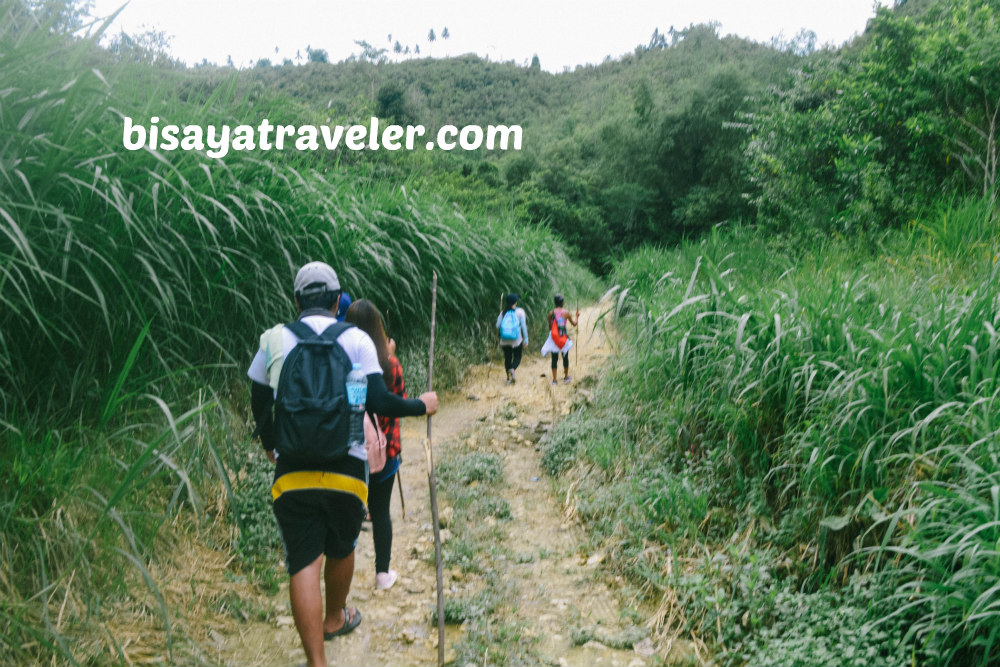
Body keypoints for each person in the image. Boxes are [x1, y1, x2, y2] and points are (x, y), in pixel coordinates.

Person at [247, 261, 438, 667]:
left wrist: (270, 444)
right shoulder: (356, 340)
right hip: (347, 469)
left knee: (303, 561)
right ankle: (335, 618)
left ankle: (317, 661)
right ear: (337, 301)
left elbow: (259, 400)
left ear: (295, 300)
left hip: (292, 468)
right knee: (341, 546)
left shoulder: (274, 339)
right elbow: (377, 401)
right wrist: (422, 404)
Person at [344, 299, 406, 591]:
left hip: (352, 451)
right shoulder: (390, 363)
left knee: (350, 513)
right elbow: (395, 405)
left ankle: (341, 580)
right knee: (381, 512)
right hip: (386, 449)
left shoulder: (343, 362)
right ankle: (382, 575)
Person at [540, 294, 579, 384]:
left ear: (555, 303)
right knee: (565, 357)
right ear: (562, 302)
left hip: (554, 338)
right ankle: (566, 377)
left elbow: (550, 327)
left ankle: (554, 380)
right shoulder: (566, 313)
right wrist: (577, 316)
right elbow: (574, 324)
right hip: (563, 337)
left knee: (554, 358)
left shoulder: (551, 313)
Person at [495, 293, 528, 384]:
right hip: (517, 340)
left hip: (504, 340)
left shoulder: (503, 312)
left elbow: (497, 325)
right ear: (515, 302)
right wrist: (526, 339)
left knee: (507, 358)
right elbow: (524, 327)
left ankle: (508, 379)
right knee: (517, 356)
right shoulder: (520, 312)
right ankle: (513, 369)